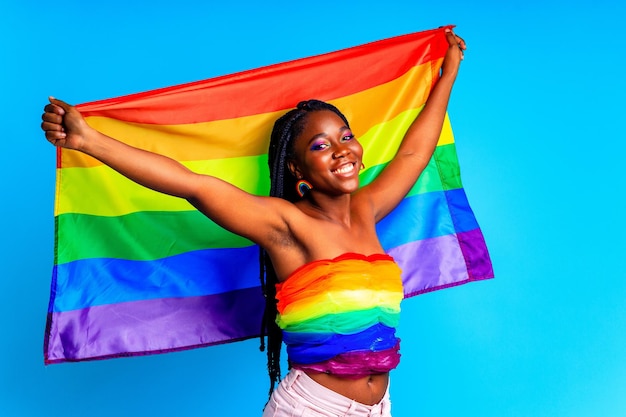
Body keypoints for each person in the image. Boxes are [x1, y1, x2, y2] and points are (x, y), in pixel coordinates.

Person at [42, 28, 465, 417]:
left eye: (346, 136)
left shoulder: (370, 209)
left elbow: (413, 154)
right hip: (313, 409)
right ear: (297, 171)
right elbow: (193, 185)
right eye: (321, 146)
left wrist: (446, 77)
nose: (341, 150)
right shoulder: (284, 224)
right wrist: (88, 140)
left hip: (380, 407)